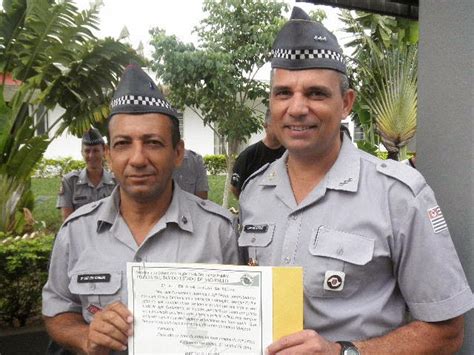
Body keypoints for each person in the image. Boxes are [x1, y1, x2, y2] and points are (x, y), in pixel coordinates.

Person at [238, 7, 473, 355]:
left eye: (316, 93)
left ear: (346, 103)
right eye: (283, 93)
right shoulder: (254, 193)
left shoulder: (398, 194)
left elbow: (447, 333)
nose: (297, 108)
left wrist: (344, 352)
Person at [42, 65, 240, 354]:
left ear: (178, 153)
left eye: (153, 143)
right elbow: (58, 310)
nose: (137, 159)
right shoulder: (77, 231)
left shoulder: (218, 231)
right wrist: (85, 336)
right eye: (123, 144)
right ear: (109, 155)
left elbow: (242, 321)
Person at [56, 128, 116, 220]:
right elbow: (67, 220)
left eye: (96, 151)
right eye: (87, 151)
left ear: (104, 151)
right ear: (82, 152)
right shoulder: (70, 182)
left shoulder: (116, 182)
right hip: (79, 233)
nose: (91, 155)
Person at [231, 109, 285, 198]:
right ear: (265, 126)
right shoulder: (248, 155)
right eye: (276, 125)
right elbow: (235, 188)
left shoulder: (291, 153)